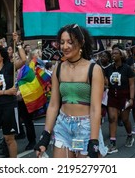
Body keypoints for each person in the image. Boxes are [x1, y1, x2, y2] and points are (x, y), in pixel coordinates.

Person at [34, 24, 107, 158]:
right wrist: (45, 135)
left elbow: (96, 108)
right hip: (62, 126)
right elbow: (54, 105)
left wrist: (94, 140)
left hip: (86, 128)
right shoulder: (58, 68)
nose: (65, 46)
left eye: (70, 42)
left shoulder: (94, 69)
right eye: (62, 42)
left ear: (81, 43)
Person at [104, 47, 135, 154]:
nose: (113, 55)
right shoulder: (108, 69)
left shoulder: (127, 69)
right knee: (112, 118)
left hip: (124, 97)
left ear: (121, 56)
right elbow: (106, 82)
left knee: (125, 119)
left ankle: (130, 135)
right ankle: (112, 143)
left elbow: (132, 85)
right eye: (112, 53)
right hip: (112, 96)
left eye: (116, 53)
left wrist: (131, 98)